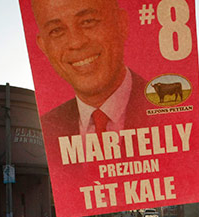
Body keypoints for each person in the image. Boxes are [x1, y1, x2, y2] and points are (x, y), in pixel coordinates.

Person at [32, 0, 148, 137]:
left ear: (121, 23)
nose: (76, 42)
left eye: (87, 21)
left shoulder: (171, 109)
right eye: (56, 30)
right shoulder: (46, 130)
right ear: (44, 46)